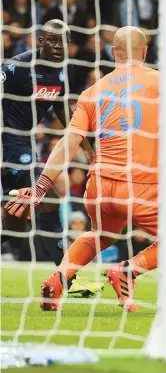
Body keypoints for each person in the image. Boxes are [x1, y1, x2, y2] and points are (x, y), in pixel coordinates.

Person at [5, 26, 166, 312]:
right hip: (143, 187)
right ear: (145, 53)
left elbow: (69, 142)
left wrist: (41, 186)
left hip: (100, 188)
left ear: (113, 53)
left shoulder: (92, 92)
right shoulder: (162, 82)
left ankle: (59, 277)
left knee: (101, 234)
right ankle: (129, 270)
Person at [1, 19, 101, 296]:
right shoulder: (16, 68)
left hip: (24, 142)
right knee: (47, 201)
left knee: (15, 220)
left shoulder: (59, 72)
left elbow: (62, 112)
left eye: (63, 41)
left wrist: (89, 149)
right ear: (40, 41)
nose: (58, 46)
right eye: (52, 40)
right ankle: (68, 277)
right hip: (8, 142)